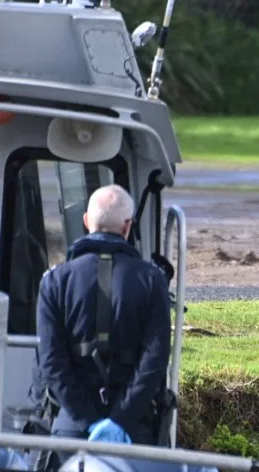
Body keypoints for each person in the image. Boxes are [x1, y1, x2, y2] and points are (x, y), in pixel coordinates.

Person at [36, 184, 171, 460]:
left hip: (71, 431)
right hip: (134, 431)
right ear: (127, 227)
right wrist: (120, 420)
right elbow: (155, 360)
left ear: (86, 221)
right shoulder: (152, 280)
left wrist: (85, 421)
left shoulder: (55, 282)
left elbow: (51, 362)